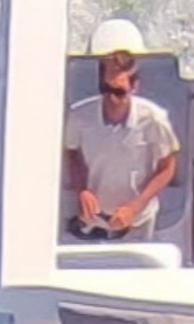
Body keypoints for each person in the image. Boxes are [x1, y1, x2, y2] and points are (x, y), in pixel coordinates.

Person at [64, 50, 179, 238]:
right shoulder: (79, 116)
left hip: (136, 221)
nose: (111, 98)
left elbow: (167, 167)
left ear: (134, 87)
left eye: (118, 91)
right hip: (91, 218)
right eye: (105, 89)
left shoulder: (154, 119)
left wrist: (134, 207)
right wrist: (82, 191)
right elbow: (72, 153)